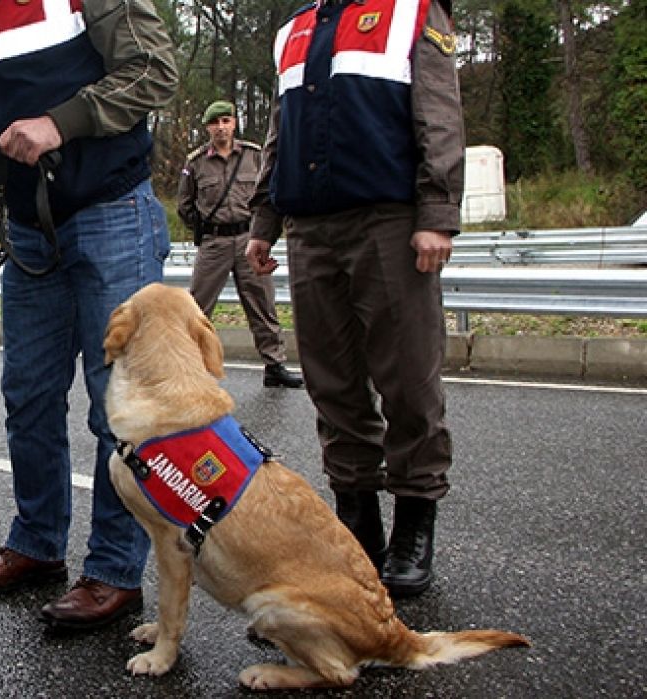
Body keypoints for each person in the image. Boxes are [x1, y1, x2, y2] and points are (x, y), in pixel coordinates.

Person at [0, 0, 178, 630]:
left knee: (116, 403)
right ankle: (36, 545)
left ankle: (115, 570)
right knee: (29, 395)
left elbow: (154, 71)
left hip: (111, 208)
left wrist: (61, 123)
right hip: (30, 226)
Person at [246, 0, 465, 597]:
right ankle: (358, 524)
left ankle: (415, 522)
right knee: (332, 383)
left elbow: (440, 116)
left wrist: (438, 212)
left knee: (408, 379)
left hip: (389, 220)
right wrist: (264, 221)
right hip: (311, 228)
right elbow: (279, 130)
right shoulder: (293, 27)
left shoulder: (412, 11)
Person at [178, 100, 302, 389]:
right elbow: (185, 205)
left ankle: (274, 364)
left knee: (262, 304)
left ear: (234, 123)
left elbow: (268, 192)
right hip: (214, 241)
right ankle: (188, 365)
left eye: (226, 121)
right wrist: (206, 228)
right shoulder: (196, 163)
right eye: (215, 122)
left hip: (249, 238)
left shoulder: (254, 156)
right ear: (207, 127)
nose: (221, 128)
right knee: (197, 307)